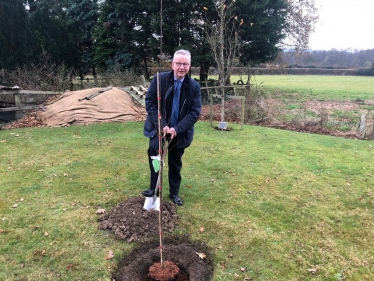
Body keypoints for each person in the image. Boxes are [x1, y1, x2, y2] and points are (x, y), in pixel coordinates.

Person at [142, 49, 202, 205]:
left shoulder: (194, 86)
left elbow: (195, 112)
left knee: (175, 161)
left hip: (179, 132)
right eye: (179, 63)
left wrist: (176, 128)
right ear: (172, 64)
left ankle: (174, 193)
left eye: (185, 64)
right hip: (160, 128)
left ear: (189, 65)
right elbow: (150, 102)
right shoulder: (159, 80)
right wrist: (162, 125)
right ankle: (154, 188)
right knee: (155, 153)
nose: (182, 67)